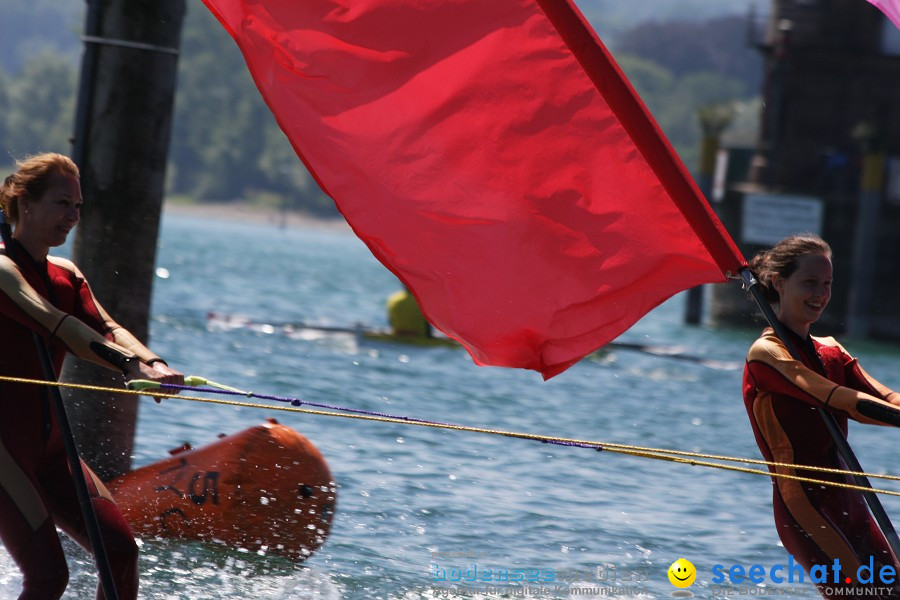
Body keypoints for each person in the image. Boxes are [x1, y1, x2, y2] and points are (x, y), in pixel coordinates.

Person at [0, 153, 183, 599]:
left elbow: (107, 327)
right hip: (5, 448)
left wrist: (156, 366)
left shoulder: (67, 274)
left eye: (78, 207)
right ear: (25, 203)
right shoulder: (4, 271)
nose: (72, 217)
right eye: (62, 203)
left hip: (51, 446)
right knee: (48, 577)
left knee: (121, 556)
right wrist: (128, 368)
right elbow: (63, 328)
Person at [744, 234, 900, 599]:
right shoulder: (766, 354)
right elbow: (844, 402)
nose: (820, 293)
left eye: (827, 284)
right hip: (805, 506)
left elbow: (886, 397)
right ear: (779, 283)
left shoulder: (830, 349)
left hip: (850, 496)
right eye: (810, 283)